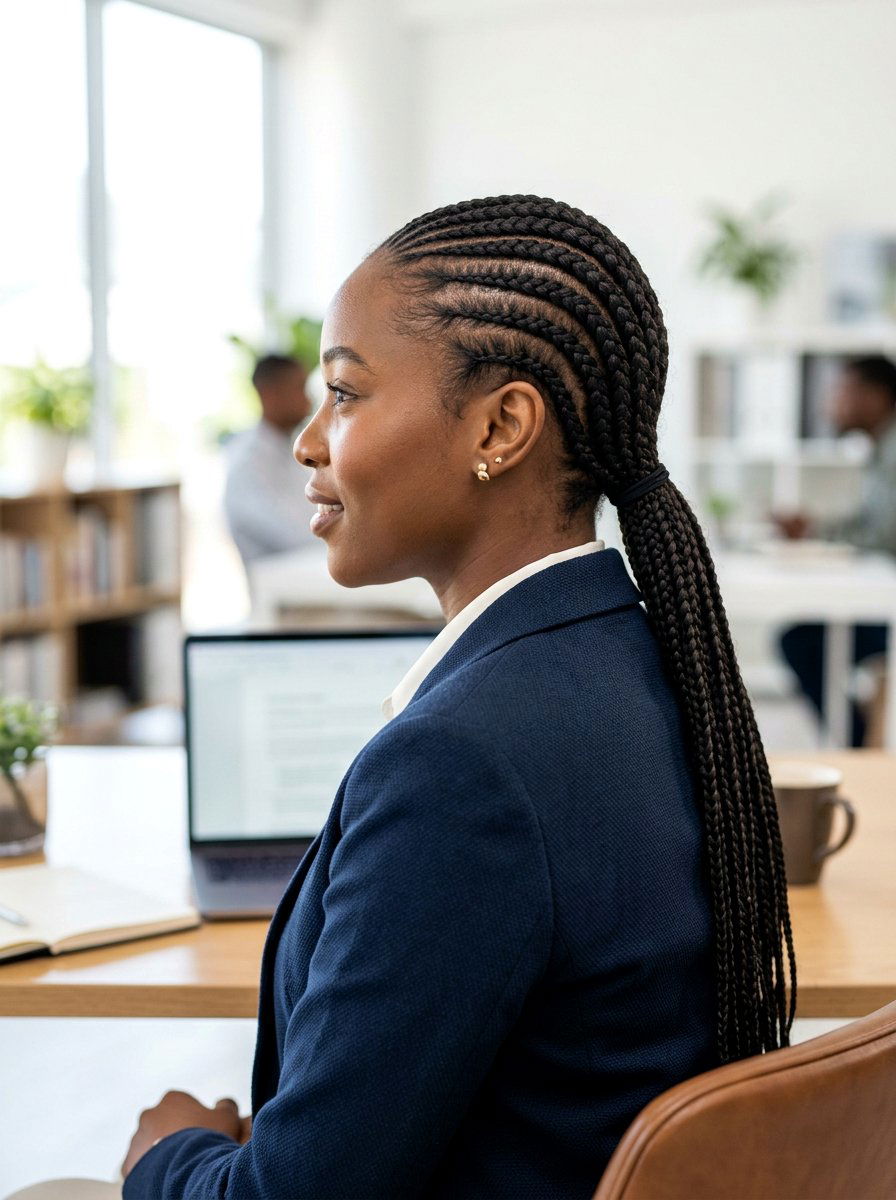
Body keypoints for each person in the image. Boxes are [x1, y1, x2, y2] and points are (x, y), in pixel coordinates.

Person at [16, 196, 796, 1200]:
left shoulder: (462, 767)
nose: (307, 442)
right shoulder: (631, 653)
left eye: (344, 393)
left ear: (500, 426)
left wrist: (163, 1156)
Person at [771, 355, 896, 747]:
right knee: (807, 638)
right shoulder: (881, 451)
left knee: (803, 642)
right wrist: (816, 531)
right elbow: (871, 526)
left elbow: (884, 536)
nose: (832, 403)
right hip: (881, 596)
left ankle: (857, 746)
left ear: (876, 397)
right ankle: (858, 742)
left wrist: (818, 535)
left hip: (886, 605)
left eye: (843, 392)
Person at [223, 353, 319, 572]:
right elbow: (291, 535)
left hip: (309, 569)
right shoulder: (247, 462)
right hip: (282, 578)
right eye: (300, 388)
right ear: (270, 394)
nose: (309, 398)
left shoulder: (288, 449)